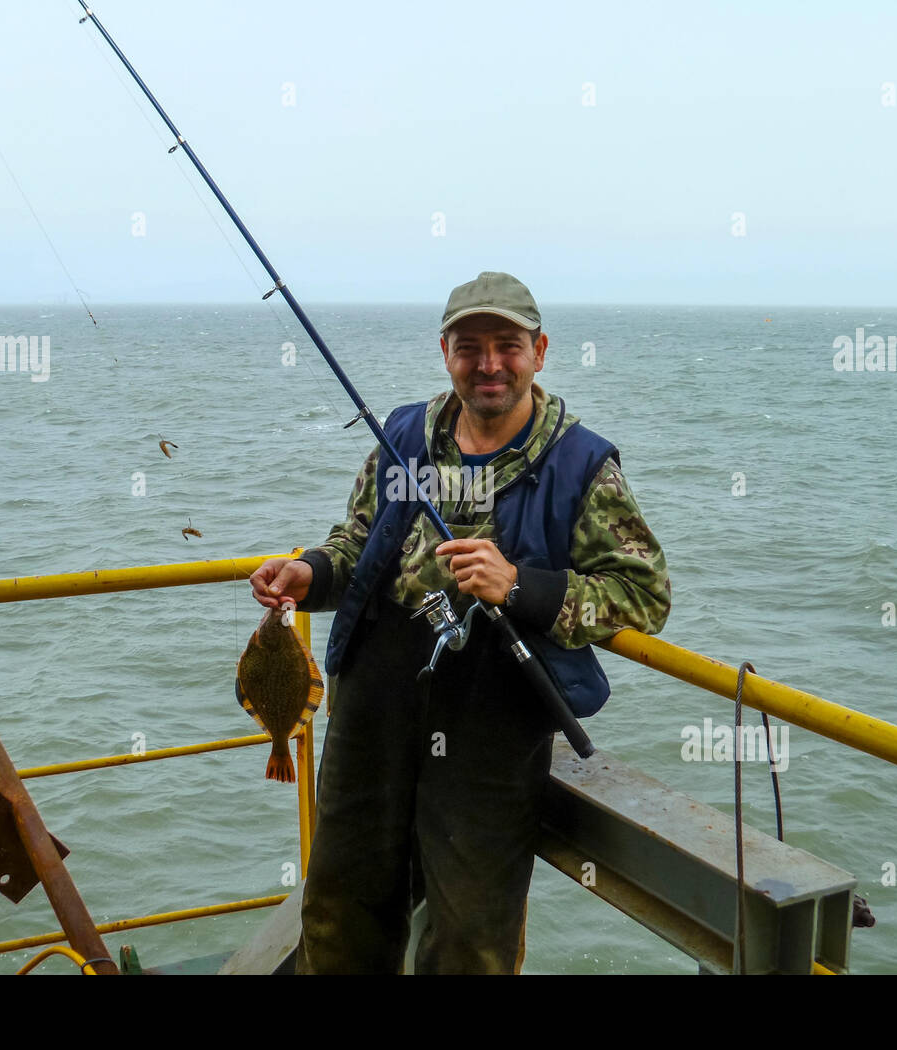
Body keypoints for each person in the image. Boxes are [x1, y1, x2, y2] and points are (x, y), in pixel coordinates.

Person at [249, 270, 671, 974]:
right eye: (470, 347)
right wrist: (311, 571)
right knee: (340, 905)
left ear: (540, 350)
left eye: (507, 345)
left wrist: (522, 586)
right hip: (373, 705)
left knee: (470, 932)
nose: (489, 365)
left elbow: (643, 595)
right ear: (445, 351)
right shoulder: (406, 433)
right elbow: (356, 540)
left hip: (490, 724)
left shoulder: (580, 463)